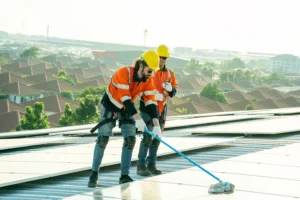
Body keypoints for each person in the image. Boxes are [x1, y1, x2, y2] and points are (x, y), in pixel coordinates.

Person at [88, 50, 162, 187]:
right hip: (112, 104)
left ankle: (124, 176)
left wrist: (156, 124)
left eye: (152, 71)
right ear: (141, 66)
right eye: (149, 70)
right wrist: (138, 118)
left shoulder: (147, 80)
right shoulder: (123, 73)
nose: (151, 74)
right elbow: (125, 99)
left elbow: (151, 102)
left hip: (127, 108)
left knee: (130, 139)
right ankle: (94, 174)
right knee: (103, 139)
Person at [137, 44, 178, 176]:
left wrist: (170, 89)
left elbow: (174, 91)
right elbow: (141, 87)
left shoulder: (170, 73)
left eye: (164, 58)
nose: (161, 60)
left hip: (161, 109)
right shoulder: (150, 70)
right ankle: (141, 166)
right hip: (147, 108)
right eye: (159, 57)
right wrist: (154, 95)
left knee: (157, 138)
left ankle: (152, 165)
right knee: (147, 137)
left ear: (167, 58)